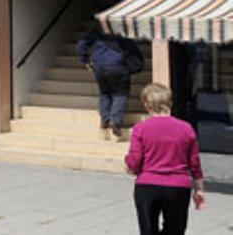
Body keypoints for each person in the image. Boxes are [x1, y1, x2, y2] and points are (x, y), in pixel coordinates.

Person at [125, 83, 204, 234]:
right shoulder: (186, 128)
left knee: (148, 230)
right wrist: (199, 190)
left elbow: (135, 160)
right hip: (178, 187)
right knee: (175, 230)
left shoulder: (140, 128)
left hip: (147, 185)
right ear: (169, 103)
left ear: (146, 104)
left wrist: (128, 165)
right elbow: (194, 163)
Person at [77, 27, 143, 140]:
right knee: (120, 94)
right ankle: (115, 122)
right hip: (118, 66)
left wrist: (85, 60)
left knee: (104, 94)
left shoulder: (97, 31)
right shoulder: (121, 30)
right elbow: (132, 49)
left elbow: (81, 44)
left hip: (99, 66)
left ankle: (105, 120)